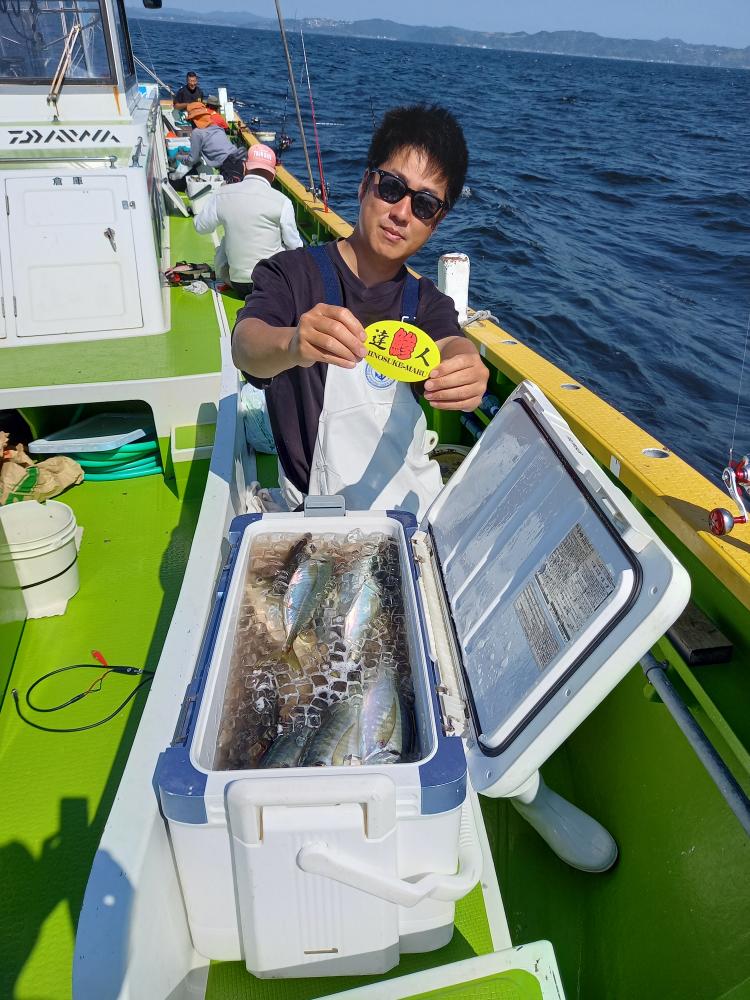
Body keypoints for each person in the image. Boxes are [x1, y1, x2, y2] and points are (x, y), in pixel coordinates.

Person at [231, 104, 488, 517]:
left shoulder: (426, 301)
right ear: (366, 184)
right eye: (392, 187)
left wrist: (466, 366)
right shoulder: (291, 273)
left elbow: (449, 343)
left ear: (436, 222)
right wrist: (292, 343)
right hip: (318, 516)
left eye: (424, 205)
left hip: (408, 512)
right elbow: (246, 345)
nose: (401, 213)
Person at [194, 143, 303, 298]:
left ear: (245, 167)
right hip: (270, 284)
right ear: (273, 174)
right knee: (285, 243)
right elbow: (295, 247)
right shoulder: (283, 201)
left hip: (237, 284)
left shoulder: (222, 194)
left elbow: (200, 227)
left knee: (226, 239)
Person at [169, 102, 244, 181]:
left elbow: (192, 160)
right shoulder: (217, 127)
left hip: (228, 165)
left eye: (190, 121)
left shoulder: (197, 133)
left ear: (194, 120)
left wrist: (177, 157)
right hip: (239, 158)